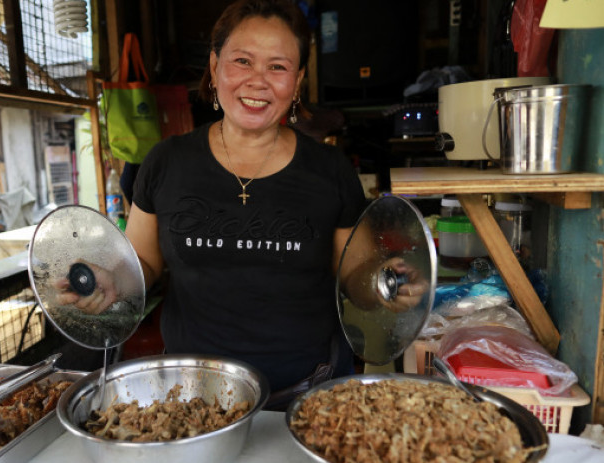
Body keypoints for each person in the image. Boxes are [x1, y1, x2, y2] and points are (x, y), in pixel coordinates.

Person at [58, 0, 424, 408]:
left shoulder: (330, 170)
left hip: (306, 394)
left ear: (298, 79)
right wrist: (113, 280)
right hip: (191, 398)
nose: (258, 81)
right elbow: (141, 263)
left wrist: (385, 283)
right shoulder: (166, 162)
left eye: (278, 67)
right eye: (242, 61)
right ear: (214, 67)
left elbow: (353, 275)